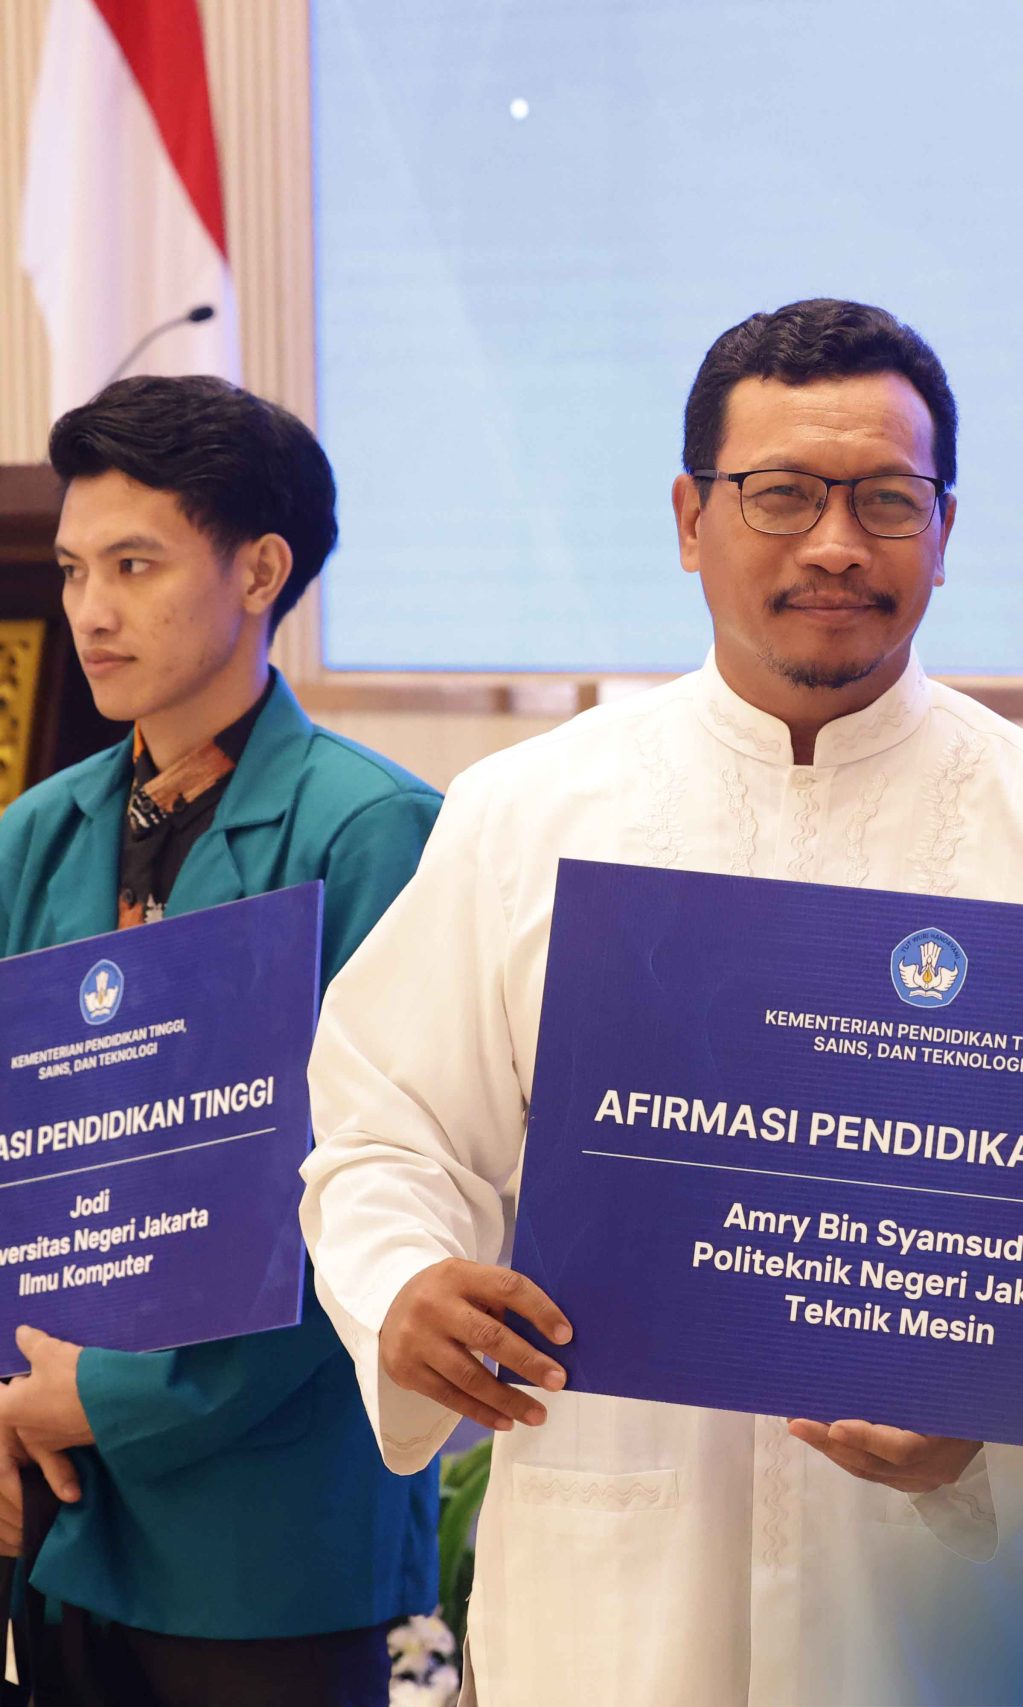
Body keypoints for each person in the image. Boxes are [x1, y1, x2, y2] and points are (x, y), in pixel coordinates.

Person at [299, 298, 1023, 1705]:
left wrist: (996, 1427)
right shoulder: (529, 813)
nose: (835, 543)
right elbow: (387, 1133)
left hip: (932, 1617)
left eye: (886, 499)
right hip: (614, 1586)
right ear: (690, 517)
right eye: (782, 495)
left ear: (945, 528)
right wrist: (403, 1282)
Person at [0, 375, 442, 1706]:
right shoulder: (41, 833)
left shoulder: (371, 832)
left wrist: (112, 1397)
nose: (90, 610)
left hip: (264, 1528)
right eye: (75, 569)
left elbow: (375, 1195)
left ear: (259, 570)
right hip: (54, 1499)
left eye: (134, 566)